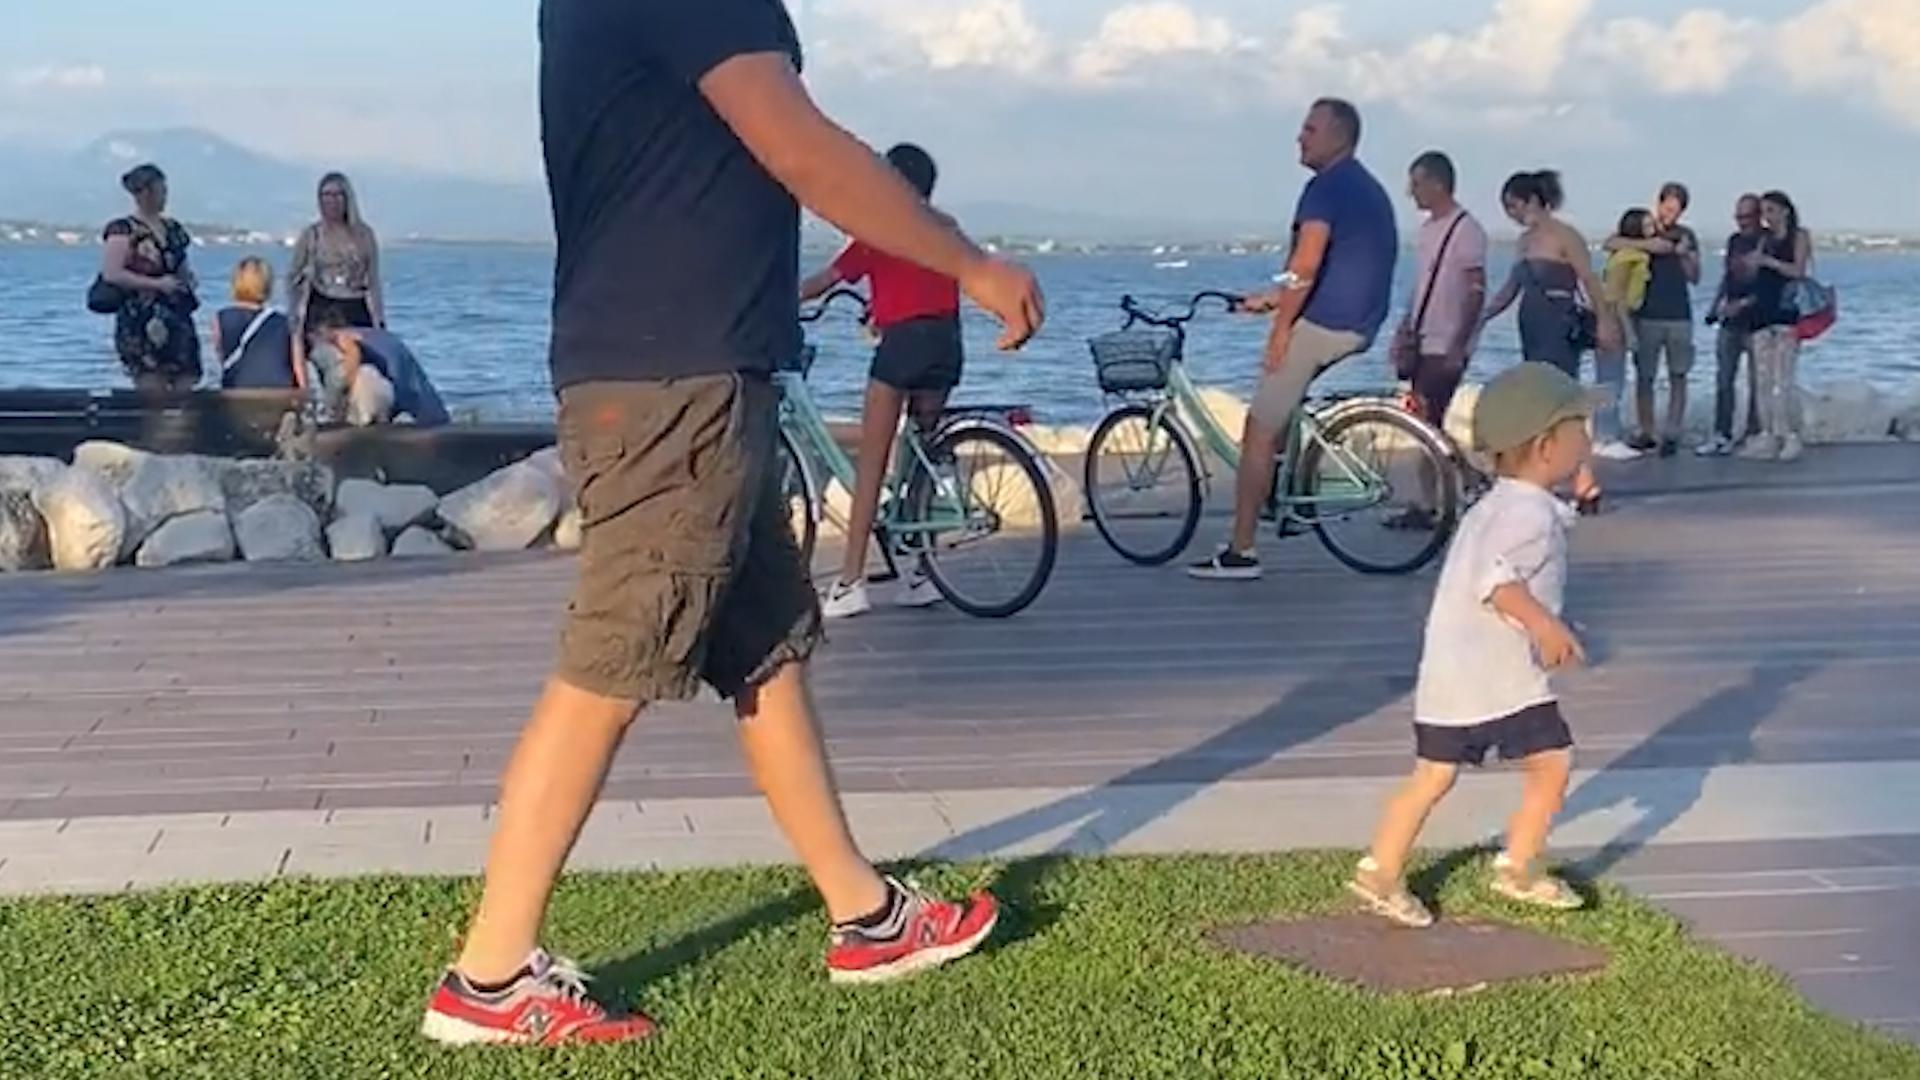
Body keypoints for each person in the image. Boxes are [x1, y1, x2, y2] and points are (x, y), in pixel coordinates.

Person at [418, 0, 1045, 1048]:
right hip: (677, 384)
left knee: (765, 649)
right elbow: (798, 144)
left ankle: (867, 918)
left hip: (683, 371)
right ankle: (490, 976)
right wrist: (967, 264)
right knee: (614, 661)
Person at [1349, 362, 1598, 928]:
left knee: (1434, 775)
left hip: (1454, 674)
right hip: (1497, 678)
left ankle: (1382, 868)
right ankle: (1517, 867)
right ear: (1545, 446)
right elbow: (1496, 582)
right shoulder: (1527, 514)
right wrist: (1545, 626)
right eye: (1579, 430)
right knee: (1551, 763)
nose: (1588, 441)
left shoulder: (1498, 503)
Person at [1188, 98, 1396, 581]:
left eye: (1310, 129)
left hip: (1326, 323)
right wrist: (1272, 297)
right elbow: (1317, 269)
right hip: (1361, 322)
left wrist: (1280, 331)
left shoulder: (1323, 189)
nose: (1300, 138)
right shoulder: (1364, 186)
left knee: (1259, 429)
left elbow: (1305, 264)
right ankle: (1286, 499)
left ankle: (1241, 551)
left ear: (1340, 136)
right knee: (1283, 412)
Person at [799, 143, 959, 619]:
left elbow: (827, 279)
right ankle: (920, 573)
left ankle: (850, 582)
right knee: (919, 461)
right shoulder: (946, 227)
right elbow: (922, 285)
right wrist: (880, 307)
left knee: (872, 462)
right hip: (947, 344)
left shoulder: (880, 228)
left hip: (904, 347)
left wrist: (777, 300)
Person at [1480, 170, 1619, 515]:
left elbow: (1589, 280)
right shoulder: (1524, 242)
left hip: (1559, 325)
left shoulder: (1565, 235)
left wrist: (1604, 321)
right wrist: (1482, 316)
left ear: (1533, 200)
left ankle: (1584, 477)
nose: (1511, 214)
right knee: (1540, 404)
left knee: (1564, 403)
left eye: (1514, 205)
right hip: (1532, 323)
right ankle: (1551, 476)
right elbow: (1511, 288)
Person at [1608, 182, 1700, 457]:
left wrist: (1683, 255)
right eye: (1667, 208)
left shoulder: (1686, 235)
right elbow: (1611, 243)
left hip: (1679, 314)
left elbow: (1695, 277)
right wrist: (1652, 245)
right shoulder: (1644, 228)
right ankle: (1646, 430)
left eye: (1676, 210)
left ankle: (1672, 430)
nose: (1670, 214)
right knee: (1645, 376)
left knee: (1678, 374)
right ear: (1659, 204)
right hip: (1647, 314)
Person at [99, 164, 202, 393]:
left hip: (176, 314)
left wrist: (187, 280)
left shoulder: (173, 229)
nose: (165, 196)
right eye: (160, 191)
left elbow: (181, 265)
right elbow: (112, 273)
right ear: (145, 193)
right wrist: (156, 284)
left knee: (186, 381)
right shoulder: (123, 230)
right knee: (151, 386)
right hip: (140, 317)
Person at [1738, 191, 1814, 463]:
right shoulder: (1764, 239)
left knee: (1783, 379)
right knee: (1762, 379)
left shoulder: (1798, 236)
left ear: (1784, 211)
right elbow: (1753, 274)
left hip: (1786, 315)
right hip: (1762, 313)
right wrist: (1749, 266)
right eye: (1763, 212)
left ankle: (1789, 435)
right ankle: (1767, 433)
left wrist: (1769, 262)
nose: (1766, 217)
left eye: (1770, 210)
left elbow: (1799, 271)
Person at [288, 172, 385, 379]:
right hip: (321, 309)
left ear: (347, 198)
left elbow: (374, 280)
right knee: (325, 363)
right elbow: (293, 277)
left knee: (363, 365)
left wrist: (380, 319)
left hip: (355, 307)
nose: (331, 201)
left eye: (337, 195)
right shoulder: (311, 235)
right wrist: (293, 315)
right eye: (326, 195)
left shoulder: (364, 235)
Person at [1698, 194, 1766, 456]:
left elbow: (1771, 286)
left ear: (1758, 216)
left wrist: (1745, 303)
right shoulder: (1735, 240)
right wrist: (1715, 305)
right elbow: (1728, 276)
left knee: (1757, 382)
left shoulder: (1767, 241)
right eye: (1738, 217)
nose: (1742, 222)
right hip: (1731, 319)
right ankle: (1721, 433)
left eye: (1746, 217)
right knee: (1724, 378)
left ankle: (1753, 432)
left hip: (1758, 319)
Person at [1592, 209, 1655, 461]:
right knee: (1610, 381)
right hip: (1616, 318)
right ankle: (1604, 437)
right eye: (1647, 225)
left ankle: (1608, 432)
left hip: (1619, 315)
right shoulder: (1627, 258)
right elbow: (1616, 297)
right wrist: (1629, 332)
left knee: (1611, 379)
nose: (1652, 229)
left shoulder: (1631, 255)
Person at [313, 327, 451, 427]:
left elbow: (351, 349)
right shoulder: (373, 336)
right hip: (394, 357)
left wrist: (337, 406)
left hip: (385, 367)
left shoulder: (332, 341)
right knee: (433, 420)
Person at [209, 257, 300, 391]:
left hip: (237, 391)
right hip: (281, 393)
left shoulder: (220, 318)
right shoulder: (286, 322)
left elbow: (222, 357)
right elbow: (298, 366)